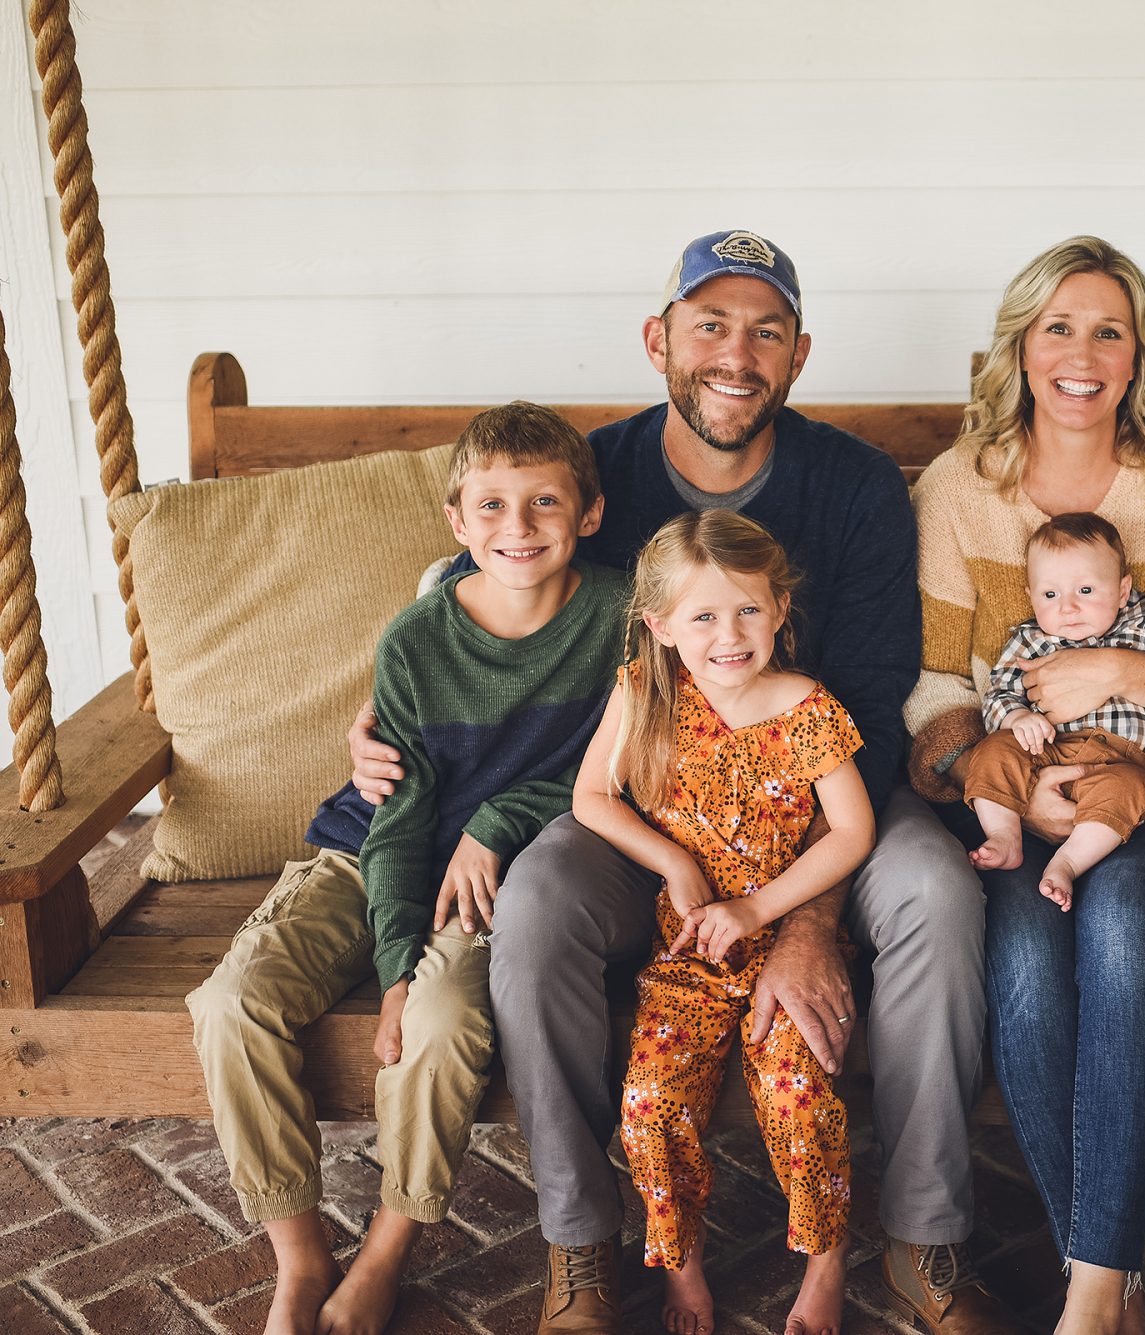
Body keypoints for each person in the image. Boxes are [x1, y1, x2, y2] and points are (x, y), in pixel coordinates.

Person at [348, 231, 1018, 1335]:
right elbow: (477, 567)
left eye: (764, 330)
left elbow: (866, 688)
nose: (735, 353)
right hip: (655, 805)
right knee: (539, 902)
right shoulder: (598, 465)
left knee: (938, 896)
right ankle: (580, 1245)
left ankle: (923, 1240)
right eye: (709, 323)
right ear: (659, 339)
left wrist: (805, 911)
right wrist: (377, 699)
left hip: (825, 785)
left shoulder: (849, 483)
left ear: (798, 353)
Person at [188, 403, 627, 1335]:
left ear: (588, 514)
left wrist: (503, 822)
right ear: (457, 522)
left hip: (490, 879)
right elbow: (399, 812)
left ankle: (389, 1245)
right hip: (369, 853)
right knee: (231, 1001)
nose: (518, 527)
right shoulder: (417, 639)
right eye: (493, 506)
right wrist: (393, 970)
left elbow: (621, 771)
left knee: (439, 1019)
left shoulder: (621, 624)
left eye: (544, 503)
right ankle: (300, 1255)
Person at [905, 235, 1145, 1335]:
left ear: (1138, 352)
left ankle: (1089, 1292)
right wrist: (992, 774)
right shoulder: (959, 490)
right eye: (1056, 326)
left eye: (1108, 328)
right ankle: (1112, 1283)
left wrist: (1132, 675)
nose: (1081, 352)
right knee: (1022, 968)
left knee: (1118, 947)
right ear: (1017, 348)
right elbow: (925, 686)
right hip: (1009, 796)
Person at [572, 511, 871, 1335]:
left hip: (785, 943)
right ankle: (684, 1259)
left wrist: (758, 906)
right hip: (692, 950)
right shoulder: (644, 695)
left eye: (746, 610)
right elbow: (590, 797)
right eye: (702, 616)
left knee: (796, 1093)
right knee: (649, 1101)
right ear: (662, 627)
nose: (728, 634)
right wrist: (673, 862)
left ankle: (825, 1257)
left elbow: (852, 830)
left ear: (780, 606)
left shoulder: (806, 705)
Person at [961, 511, 1145, 908]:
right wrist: (1017, 717)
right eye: (1050, 595)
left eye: (1085, 590)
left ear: (1122, 591)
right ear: (1032, 596)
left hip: (1118, 762)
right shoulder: (1030, 640)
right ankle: (1004, 834)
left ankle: (1068, 862)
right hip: (1042, 753)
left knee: (1133, 790)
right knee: (994, 750)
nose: (1067, 608)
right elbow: (999, 694)